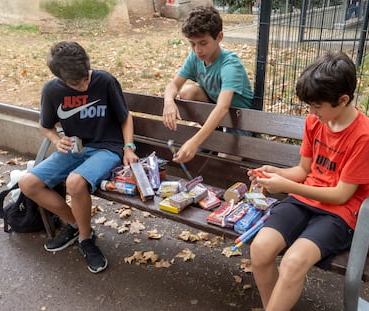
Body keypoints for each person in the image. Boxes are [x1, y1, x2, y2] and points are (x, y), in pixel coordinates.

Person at [247, 51, 369, 310]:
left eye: (317, 106)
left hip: (340, 214)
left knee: (293, 262)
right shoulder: (315, 122)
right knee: (261, 248)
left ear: (342, 100)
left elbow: (342, 195)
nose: (311, 112)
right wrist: (275, 172)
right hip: (304, 198)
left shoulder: (366, 136)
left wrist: (285, 186)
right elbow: (302, 171)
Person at [19, 41, 139, 273]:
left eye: (85, 78)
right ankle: (74, 224)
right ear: (60, 78)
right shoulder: (52, 91)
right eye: (76, 83)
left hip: (108, 147)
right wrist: (56, 140)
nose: (84, 86)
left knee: (75, 182)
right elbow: (45, 126)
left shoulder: (104, 81)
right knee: (27, 183)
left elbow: (126, 117)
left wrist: (129, 147)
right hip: (75, 150)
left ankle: (86, 239)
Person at [162, 5, 254, 163]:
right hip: (216, 113)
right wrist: (169, 101)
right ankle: (214, 133)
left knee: (224, 160)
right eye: (192, 44)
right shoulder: (195, 57)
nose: (197, 50)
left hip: (239, 121)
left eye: (203, 43)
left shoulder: (230, 65)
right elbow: (173, 85)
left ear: (219, 37)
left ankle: (216, 138)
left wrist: (195, 141)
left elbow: (223, 107)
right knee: (187, 92)